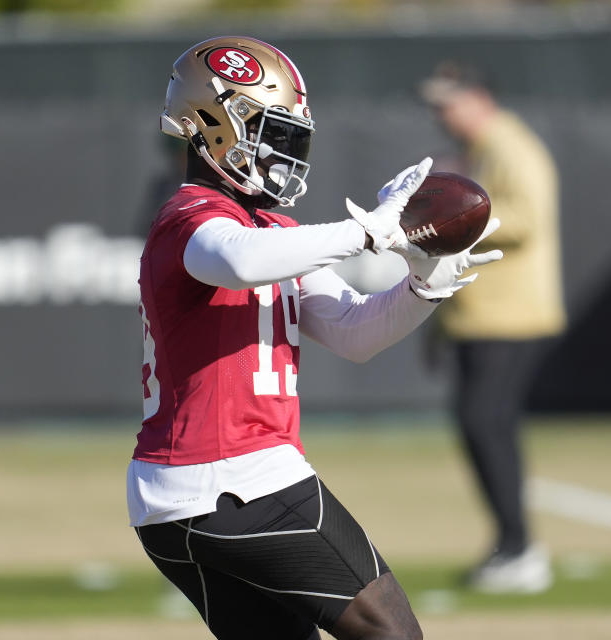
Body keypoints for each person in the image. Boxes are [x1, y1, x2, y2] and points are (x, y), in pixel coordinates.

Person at [126, 37, 502, 640]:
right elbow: (238, 261)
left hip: (174, 503)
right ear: (213, 126)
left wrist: (422, 286)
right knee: (393, 634)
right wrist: (369, 232)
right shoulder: (191, 217)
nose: (283, 153)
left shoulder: (271, 229)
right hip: (240, 480)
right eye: (269, 133)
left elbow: (354, 331)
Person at [419, 62, 567, 594]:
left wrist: (453, 213)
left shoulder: (509, 145)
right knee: (483, 425)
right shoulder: (481, 149)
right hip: (479, 317)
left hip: (511, 317)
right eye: (436, 104)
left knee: (486, 423)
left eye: (450, 101)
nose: (442, 113)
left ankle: (520, 547)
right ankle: (512, 544)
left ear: (480, 97)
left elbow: (528, 216)